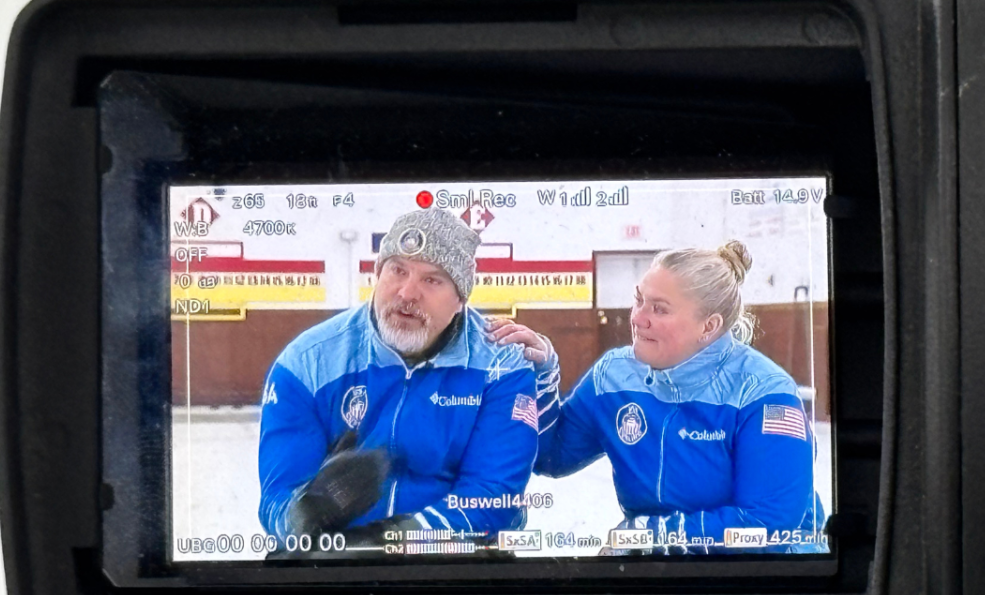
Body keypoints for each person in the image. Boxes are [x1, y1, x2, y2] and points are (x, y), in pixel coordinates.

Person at [489, 241, 826, 554]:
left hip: (772, 579)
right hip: (664, 569)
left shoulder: (764, 393)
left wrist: (649, 535)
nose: (637, 317)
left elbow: (769, 524)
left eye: (660, 309)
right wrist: (540, 377)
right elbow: (551, 458)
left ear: (708, 326)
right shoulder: (614, 376)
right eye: (639, 300)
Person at [258, 207, 540, 545]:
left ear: (461, 298)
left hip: (458, 571)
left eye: (432, 279)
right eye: (397, 270)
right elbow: (276, 500)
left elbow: (495, 499)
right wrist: (305, 514)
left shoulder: (502, 364)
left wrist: (387, 543)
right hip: (328, 566)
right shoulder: (307, 362)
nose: (407, 293)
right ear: (378, 274)